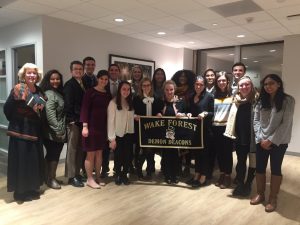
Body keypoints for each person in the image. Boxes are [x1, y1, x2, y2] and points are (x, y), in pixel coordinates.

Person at [250, 74, 295, 213]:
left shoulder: (288, 100)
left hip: (279, 141)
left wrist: (271, 140)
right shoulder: (260, 100)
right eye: (265, 84)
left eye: (271, 83)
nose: (268, 86)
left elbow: (286, 123)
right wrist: (260, 138)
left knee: (275, 168)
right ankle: (261, 194)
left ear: (279, 84)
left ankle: (273, 197)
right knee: (260, 168)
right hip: (261, 140)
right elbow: (256, 120)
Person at [4, 63, 46, 201]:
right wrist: (17, 121)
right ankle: (20, 192)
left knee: (33, 161)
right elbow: (7, 108)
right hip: (20, 131)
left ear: (37, 75)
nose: (32, 75)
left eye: (34, 73)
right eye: (29, 73)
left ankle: (32, 188)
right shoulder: (18, 89)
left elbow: (42, 111)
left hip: (35, 131)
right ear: (23, 75)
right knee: (21, 161)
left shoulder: (40, 91)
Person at [224, 76, 259, 196]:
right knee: (241, 161)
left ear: (252, 86)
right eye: (241, 85)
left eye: (247, 84)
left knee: (253, 162)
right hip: (240, 136)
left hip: (254, 138)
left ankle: (248, 183)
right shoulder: (236, 100)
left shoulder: (257, 99)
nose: (244, 87)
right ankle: (240, 183)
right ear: (238, 87)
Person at [80, 70, 111, 189]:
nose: (103, 81)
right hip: (90, 128)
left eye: (106, 79)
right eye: (102, 78)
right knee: (90, 155)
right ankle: (89, 179)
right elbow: (84, 109)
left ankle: (98, 176)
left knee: (99, 154)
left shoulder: (108, 94)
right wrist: (85, 126)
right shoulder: (90, 92)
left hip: (102, 128)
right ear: (98, 79)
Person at [186, 76, 214, 188]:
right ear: (194, 85)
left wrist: (205, 113)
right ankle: (197, 174)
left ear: (204, 85)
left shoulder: (209, 96)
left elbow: (213, 113)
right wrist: (188, 114)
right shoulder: (191, 96)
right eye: (197, 84)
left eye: (201, 84)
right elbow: (189, 111)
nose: (198, 86)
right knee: (197, 154)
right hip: (195, 131)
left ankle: (203, 177)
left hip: (206, 131)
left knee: (205, 155)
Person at [40, 69, 66, 190]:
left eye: (57, 79)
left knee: (51, 155)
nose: (55, 81)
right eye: (52, 79)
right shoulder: (50, 94)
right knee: (54, 155)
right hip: (53, 132)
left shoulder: (57, 92)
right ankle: (51, 179)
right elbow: (50, 115)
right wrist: (58, 130)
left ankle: (49, 177)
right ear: (48, 80)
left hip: (53, 131)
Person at [133, 77, 163, 179]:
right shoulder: (136, 99)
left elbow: (160, 111)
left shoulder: (157, 98)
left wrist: (159, 114)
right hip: (140, 129)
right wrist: (135, 116)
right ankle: (139, 168)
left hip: (153, 129)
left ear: (151, 86)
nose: (146, 87)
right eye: (144, 85)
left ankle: (149, 169)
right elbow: (132, 112)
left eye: (148, 85)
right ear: (141, 87)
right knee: (142, 149)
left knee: (151, 150)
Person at [157, 80, 186, 184]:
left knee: (175, 154)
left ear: (174, 90)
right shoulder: (160, 101)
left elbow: (187, 113)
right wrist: (159, 114)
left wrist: (181, 114)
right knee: (166, 154)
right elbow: (157, 112)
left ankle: (175, 174)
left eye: (171, 89)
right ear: (164, 90)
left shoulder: (180, 101)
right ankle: (167, 174)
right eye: (167, 90)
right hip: (164, 132)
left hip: (177, 132)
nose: (169, 92)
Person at [107, 81, 135, 185]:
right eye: (124, 89)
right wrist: (112, 139)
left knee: (128, 156)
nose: (126, 91)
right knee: (118, 157)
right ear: (119, 90)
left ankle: (124, 175)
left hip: (129, 133)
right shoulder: (113, 103)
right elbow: (110, 122)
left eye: (128, 89)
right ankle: (118, 175)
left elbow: (130, 116)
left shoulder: (130, 101)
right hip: (118, 135)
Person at [64, 60, 86, 187]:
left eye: (80, 69)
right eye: (76, 69)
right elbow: (68, 104)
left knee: (80, 150)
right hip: (73, 122)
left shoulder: (82, 84)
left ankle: (77, 173)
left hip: (81, 121)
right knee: (72, 150)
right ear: (71, 71)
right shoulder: (69, 85)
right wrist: (71, 120)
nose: (78, 71)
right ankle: (71, 177)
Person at [171, 70, 196, 176]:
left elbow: (192, 106)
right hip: (175, 122)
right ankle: (177, 167)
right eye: (181, 76)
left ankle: (186, 167)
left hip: (186, 121)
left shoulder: (191, 91)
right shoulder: (174, 90)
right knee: (176, 145)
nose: (182, 78)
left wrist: (186, 114)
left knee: (186, 146)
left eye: (185, 77)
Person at [212, 72, 234, 189]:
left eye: (223, 80)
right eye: (219, 81)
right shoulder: (214, 95)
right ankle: (221, 174)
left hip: (227, 127)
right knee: (219, 153)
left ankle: (227, 175)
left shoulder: (232, 95)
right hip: (216, 127)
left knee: (227, 152)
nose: (221, 82)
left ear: (227, 82)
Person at [101, 63, 122, 178]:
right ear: (109, 72)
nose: (113, 72)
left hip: (119, 119)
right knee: (106, 145)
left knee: (117, 145)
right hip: (106, 117)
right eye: (111, 70)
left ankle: (116, 169)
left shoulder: (122, 85)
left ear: (118, 72)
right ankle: (104, 168)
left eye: (116, 70)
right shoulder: (104, 83)